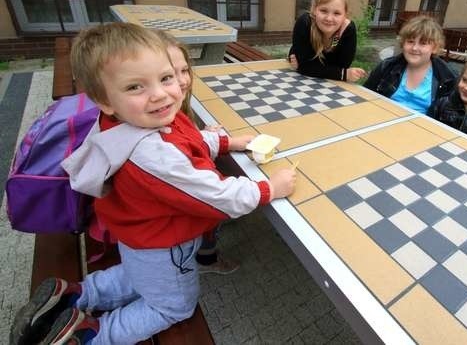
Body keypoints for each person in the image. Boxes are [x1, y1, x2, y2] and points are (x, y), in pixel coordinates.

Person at [11, 23, 296, 345]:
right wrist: (269, 189)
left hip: (139, 237)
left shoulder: (142, 119)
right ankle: (90, 335)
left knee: (138, 274)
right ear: (104, 100)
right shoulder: (151, 155)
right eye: (136, 87)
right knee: (172, 306)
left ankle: (73, 296)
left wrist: (224, 143)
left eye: (166, 78)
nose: (160, 94)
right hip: (165, 244)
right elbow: (214, 196)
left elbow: (187, 139)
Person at [156, 30, 239, 275]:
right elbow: (207, 192)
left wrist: (211, 138)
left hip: (177, 204)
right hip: (176, 222)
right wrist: (266, 190)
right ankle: (207, 258)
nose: (182, 80)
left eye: (184, 71)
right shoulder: (158, 124)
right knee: (215, 206)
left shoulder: (169, 113)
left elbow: (187, 139)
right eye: (168, 75)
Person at [364, 15, 456, 114]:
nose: (415, 48)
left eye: (423, 43)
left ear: (434, 48)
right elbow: (365, 95)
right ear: (403, 43)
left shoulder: (447, 79)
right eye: (410, 41)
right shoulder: (386, 66)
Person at [288, 0, 366, 82]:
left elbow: (341, 65)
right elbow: (305, 67)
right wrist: (343, 74)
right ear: (315, 9)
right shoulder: (305, 23)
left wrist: (309, 66)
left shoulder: (348, 30)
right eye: (323, 11)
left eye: (337, 13)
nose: (329, 18)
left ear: (345, 15)